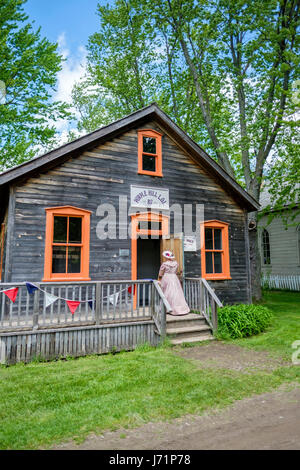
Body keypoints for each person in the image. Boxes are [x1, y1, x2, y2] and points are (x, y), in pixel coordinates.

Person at [158, 250, 190, 315]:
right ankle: (180, 308)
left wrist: (160, 276)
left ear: (167, 257)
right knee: (176, 292)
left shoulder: (164, 264)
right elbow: (175, 272)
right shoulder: (176, 263)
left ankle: (167, 308)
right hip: (174, 277)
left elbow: (160, 274)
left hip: (167, 278)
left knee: (167, 292)